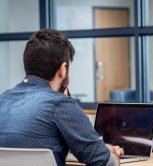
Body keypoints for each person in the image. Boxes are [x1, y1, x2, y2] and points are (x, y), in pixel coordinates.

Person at [0, 29, 124, 166]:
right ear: (63, 69)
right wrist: (112, 153)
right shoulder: (59, 105)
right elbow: (106, 163)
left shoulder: (3, 100)